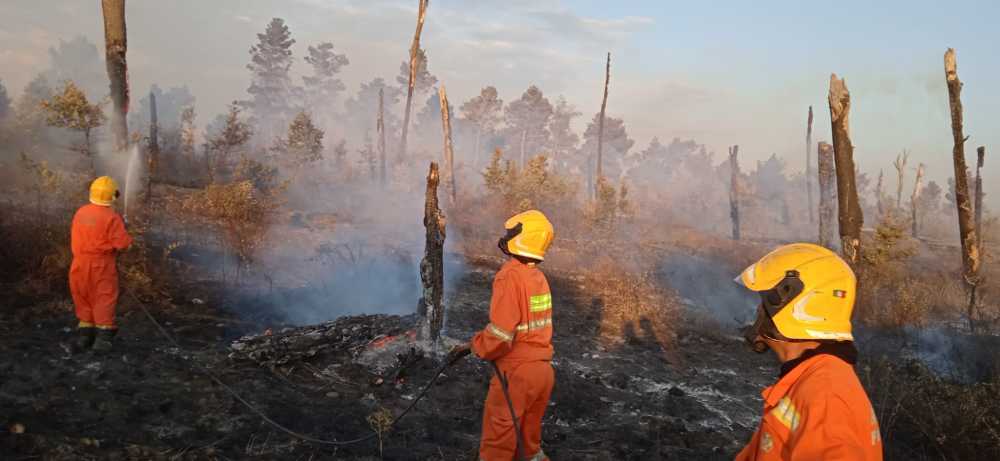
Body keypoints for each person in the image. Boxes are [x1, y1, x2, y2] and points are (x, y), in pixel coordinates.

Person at [734, 243, 882, 461]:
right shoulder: (810, 378)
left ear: (787, 303)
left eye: (761, 300)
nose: (756, 310)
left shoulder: (825, 395)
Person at [451, 210, 555, 461]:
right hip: (541, 373)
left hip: (515, 376)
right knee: (529, 448)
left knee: (497, 447)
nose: (506, 236)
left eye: (511, 233)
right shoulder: (538, 278)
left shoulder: (509, 276)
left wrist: (475, 346)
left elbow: (500, 334)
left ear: (522, 238)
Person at [70, 176, 132, 353]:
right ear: (112, 195)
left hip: (79, 264)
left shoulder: (81, 212)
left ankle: (84, 335)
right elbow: (123, 244)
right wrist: (125, 228)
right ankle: (102, 340)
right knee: (103, 297)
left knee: (83, 295)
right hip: (101, 266)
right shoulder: (112, 217)